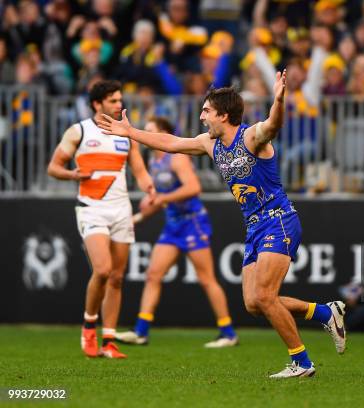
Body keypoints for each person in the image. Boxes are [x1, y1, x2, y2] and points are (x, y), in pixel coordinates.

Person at [98, 71, 346, 379]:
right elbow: (172, 143)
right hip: (254, 227)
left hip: (279, 221)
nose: (201, 117)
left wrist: (279, 99)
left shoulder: (252, 137)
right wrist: (130, 131)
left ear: (224, 115)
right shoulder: (208, 143)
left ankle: (302, 362)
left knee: (266, 297)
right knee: (254, 303)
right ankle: (324, 312)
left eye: (206, 112)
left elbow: (274, 123)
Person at [47, 80, 155, 359]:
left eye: (120, 100)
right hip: (91, 208)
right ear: (98, 104)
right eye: (113, 101)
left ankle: (109, 341)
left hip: (121, 209)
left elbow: (139, 169)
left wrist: (149, 188)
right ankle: (88, 325)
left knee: (117, 278)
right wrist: (73, 174)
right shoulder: (79, 131)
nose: (119, 105)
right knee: (104, 270)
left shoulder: (125, 134)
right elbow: (53, 167)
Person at [115, 117, 238, 348]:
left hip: (193, 223)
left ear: (163, 133)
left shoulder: (176, 157)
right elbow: (161, 201)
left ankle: (228, 333)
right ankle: (141, 331)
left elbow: (193, 188)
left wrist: (161, 198)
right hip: (173, 225)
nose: (145, 133)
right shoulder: (153, 161)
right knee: (153, 274)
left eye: (150, 130)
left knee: (206, 279)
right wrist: (140, 216)